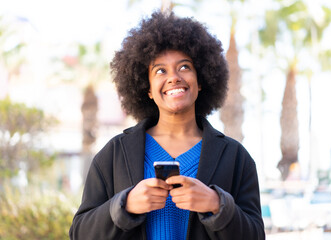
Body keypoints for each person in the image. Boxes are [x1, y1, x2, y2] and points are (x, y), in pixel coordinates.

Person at [69, 10, 265, 240]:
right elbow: (79, 233)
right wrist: (124, 206)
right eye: (160, 70)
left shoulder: (235, 157)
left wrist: (217, 204)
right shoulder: (114, 154)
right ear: (148, 89)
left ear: (200, 81)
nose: (173, 77)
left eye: (184, 67)